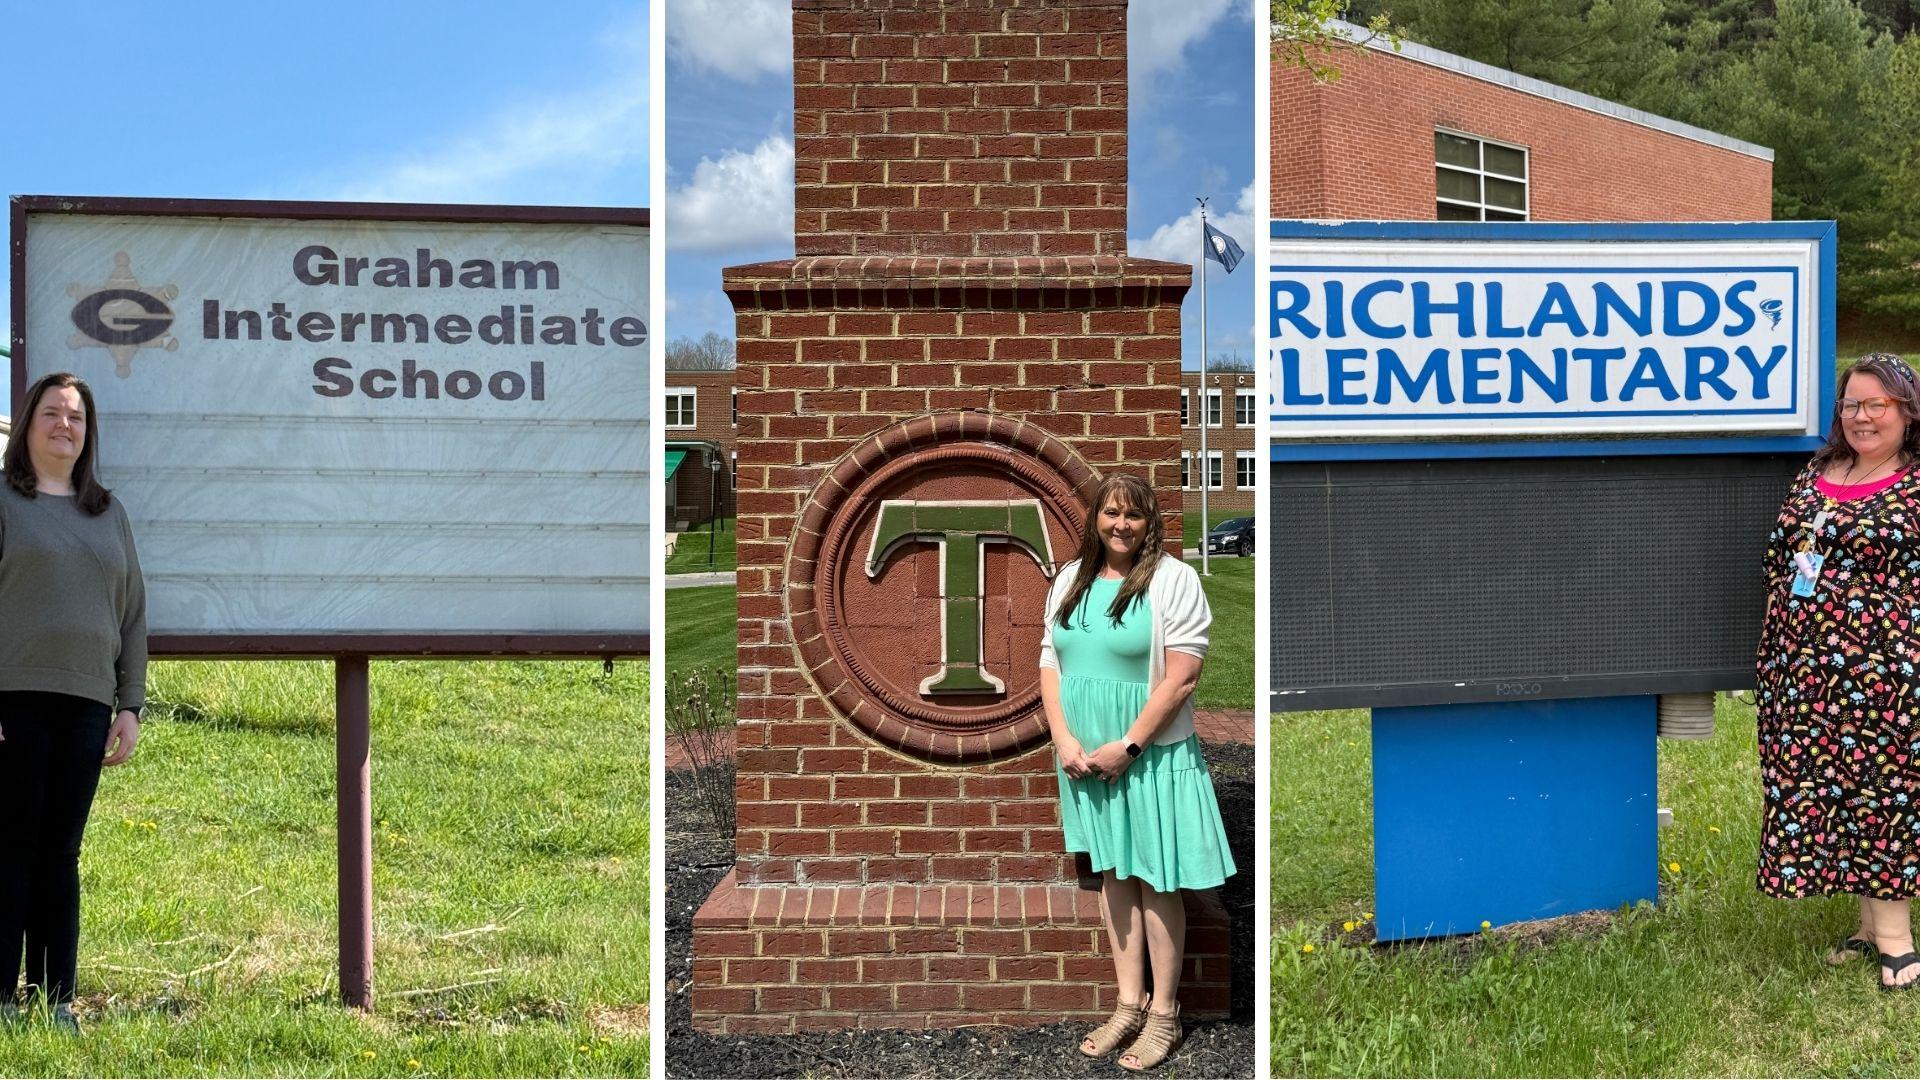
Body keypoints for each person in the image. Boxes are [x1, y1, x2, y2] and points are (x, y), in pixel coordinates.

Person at [1038, 474, 1236, 1070]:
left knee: (1156, 879)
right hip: (1082, 757)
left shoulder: (1175, 581)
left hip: (1146, 758)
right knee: (1115, 879)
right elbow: (1050, 662)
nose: (1121, 526)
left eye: (1134, 516)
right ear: (1095, 518)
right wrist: (1065, 738)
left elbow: (1182, 677)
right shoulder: (1069, 580)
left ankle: (1164, 1015)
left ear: (1151, 523)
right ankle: (1128, 1004)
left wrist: (1125, 747)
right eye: (1111, 514)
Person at [1756, 352, 1920, 990]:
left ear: (1906, 411)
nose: (1861, 416)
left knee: (1885, 795)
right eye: (1852, 404)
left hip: (1889, 672)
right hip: (1802, 672)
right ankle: (1866, 924)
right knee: (1831, 792)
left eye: (1877, 404)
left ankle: (1896, 940)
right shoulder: (1818, 472)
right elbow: (1784, 563)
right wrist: (1774, 649)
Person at [0, 372, 146, 1032]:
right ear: (27, 425)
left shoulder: (107, 512)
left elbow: (134, 613)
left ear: (89, 435)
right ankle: (3, 1000)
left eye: (77, 418)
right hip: (14, 701)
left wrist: (130, 705)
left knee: (61, 852)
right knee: (12, 850)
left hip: (88, 703)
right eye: (52, 414)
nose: (64, 425)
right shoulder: (4, 500)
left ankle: (54, 999)